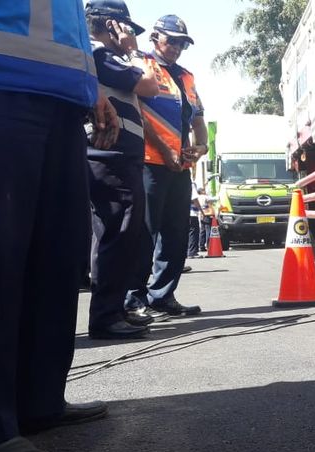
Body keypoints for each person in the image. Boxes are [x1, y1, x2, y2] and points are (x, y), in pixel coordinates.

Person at [0, 0, 119, 452]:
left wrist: (93, 90)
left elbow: (62, 28)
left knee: (56, 256)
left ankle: (39, 400)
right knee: (3, 257)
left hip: (64, 102)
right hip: (6, 89)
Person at [85, 0, 161, 339]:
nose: (129, 36)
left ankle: (113, 310)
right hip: (112, 157)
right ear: (112, 25)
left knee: (121, 234)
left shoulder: (103, 58)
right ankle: (106, 316)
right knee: (118, 232)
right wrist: (134, 52)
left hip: (119, 156)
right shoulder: (102, 54)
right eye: (126, 29)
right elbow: (150, 86)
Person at [125, 14, 207, 317]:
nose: (175, 47)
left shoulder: (186, 76)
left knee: (175, 233)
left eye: (181, 43)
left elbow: (197, 116)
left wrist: (201, 146)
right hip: (150, 160)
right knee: (145, 232)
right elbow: (138, 110)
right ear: (155, 38)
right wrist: (164, 148)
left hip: (180, 166)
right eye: (170, 40)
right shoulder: (142, 65)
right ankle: (134, 299)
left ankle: (162, 295)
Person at [187, 180, 204, 258]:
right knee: (193, 232)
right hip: (192, 213)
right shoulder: (190, 184)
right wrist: (201, 211)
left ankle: (187, 251)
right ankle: (192, 252)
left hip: (182, 213)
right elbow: (195, 199)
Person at [198, 187, 214, 252]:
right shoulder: (205, 197)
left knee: (202, 231)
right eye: (203, 190)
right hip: (207, 214)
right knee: (208, 231)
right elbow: (213, 199)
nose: (205, 191)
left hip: (201, 215)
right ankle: (208, 245)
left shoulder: (198, 197)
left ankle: (201, 246)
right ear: (201, 191)